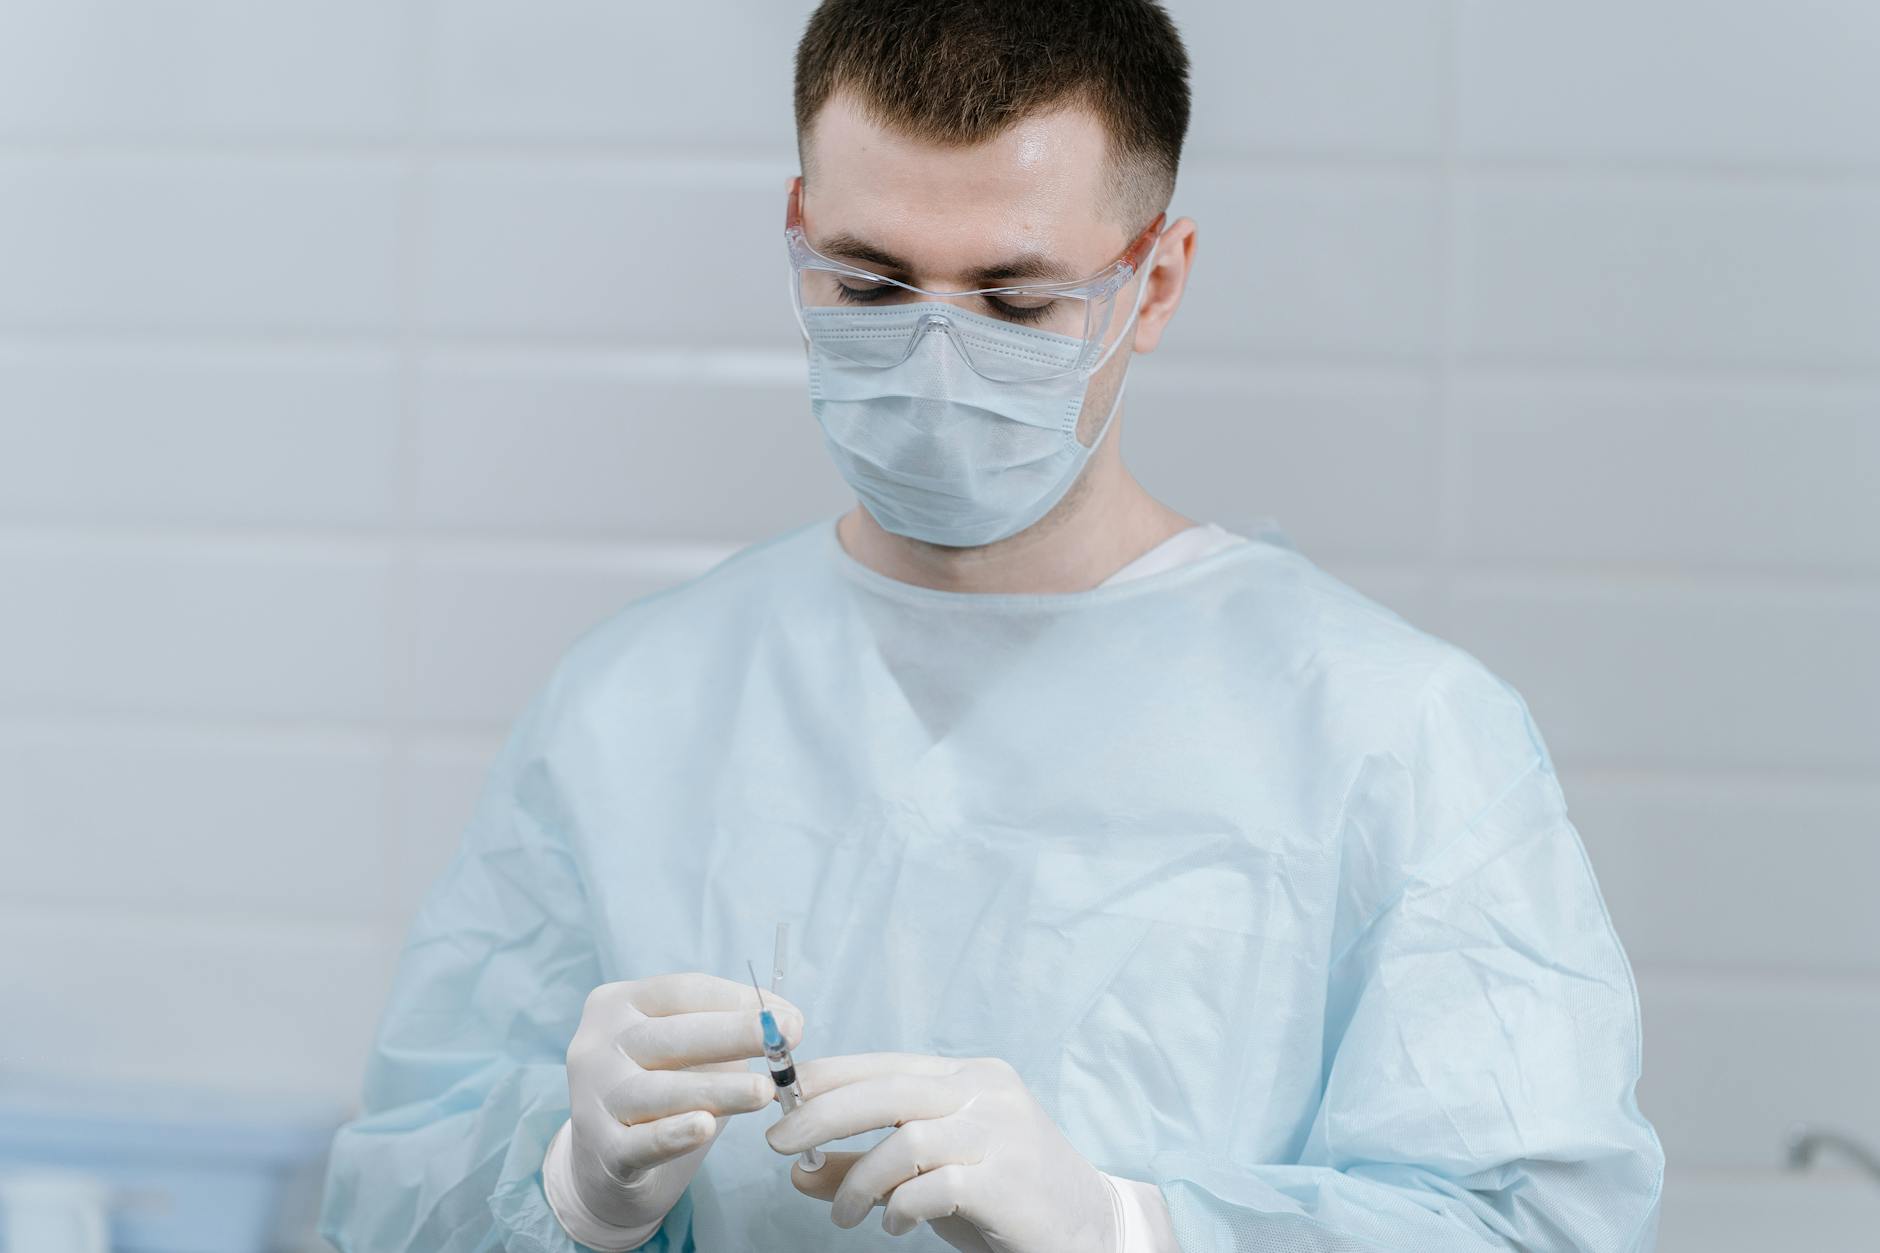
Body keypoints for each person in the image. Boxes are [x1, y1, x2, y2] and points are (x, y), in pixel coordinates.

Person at [320, 3, 1664, 1251]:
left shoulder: (1397, 737)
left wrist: (1128, 1226)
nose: (934, 361)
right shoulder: (633, 706)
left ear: (1158, 280)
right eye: (869, 282)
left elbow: (1531, 1226)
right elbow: (393, 1199)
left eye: (1018, 304)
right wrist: (572, 1191)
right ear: (795, 232)